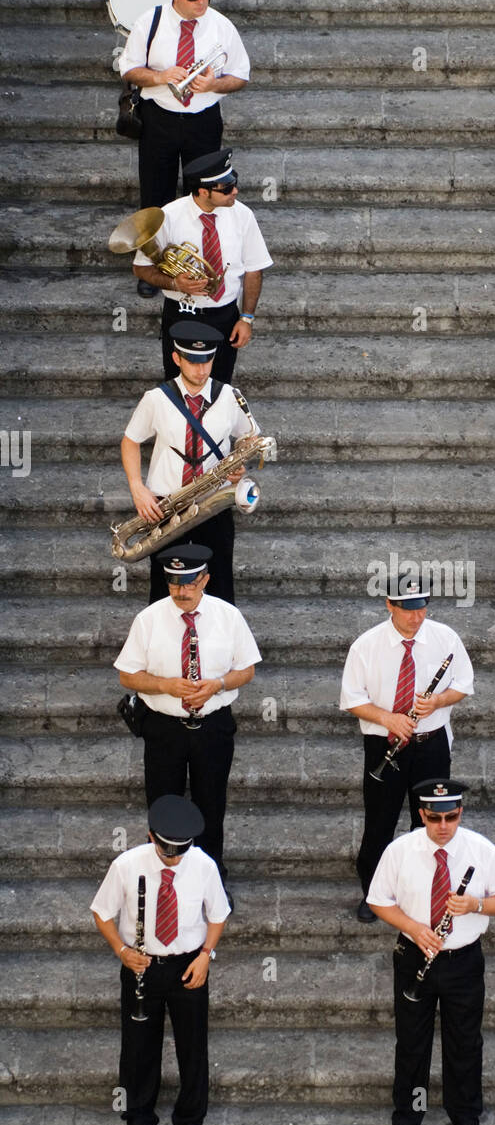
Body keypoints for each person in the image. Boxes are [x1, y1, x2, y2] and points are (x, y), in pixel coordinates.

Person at [368, 778, 495, 1125]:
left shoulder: (481, 850)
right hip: (415, 955)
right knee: (412, 1044)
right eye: (434, 818)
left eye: (451, 817)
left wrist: (475, 906)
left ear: (460, 813)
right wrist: (415, 928)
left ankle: (465, 1119)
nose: (443, 826)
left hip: (462, 960)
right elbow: (378, 901)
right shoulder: (400, 850)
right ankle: (407, 1117)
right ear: (421, 814)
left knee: (464, 1043)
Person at [90, 793, 230, 1125]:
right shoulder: (126, 865)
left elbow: (218, 914)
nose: (174, 859)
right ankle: (138, 1120)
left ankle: (191, 1121)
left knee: (193, 1047)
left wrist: (205, 956)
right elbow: (101, 913)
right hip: (142, 965)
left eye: (180, 852)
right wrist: (122, 951)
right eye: (168, 852)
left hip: (188, 964)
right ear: (152, 837)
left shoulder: (202, 865)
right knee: (138, 1048)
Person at [114, 543, 261, 885]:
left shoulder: (228, 617)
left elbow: (247, 670)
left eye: (190, 583)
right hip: (164, 729)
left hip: (213, 727)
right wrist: (165, 685)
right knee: (163, 804)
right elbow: (127, 675)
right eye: (174, 584)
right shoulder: (148, 620)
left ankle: (210, 880)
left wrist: (219, 684)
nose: (181, 592)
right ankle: (160, 879)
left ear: (206, 580)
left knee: (211, 805)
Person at [339, 576, 474, 924]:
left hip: (432, 744)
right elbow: (352, 699)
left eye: (421, 608)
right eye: (408, 610)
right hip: (385, 743)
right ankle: (373, 894)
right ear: (389, 605)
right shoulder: (366, 646)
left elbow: (463, 684)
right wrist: (388, 718)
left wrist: (439, 700)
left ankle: (421, 893)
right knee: (380, 822)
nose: (416, 617)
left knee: (428, 823)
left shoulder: (445, 638)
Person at [118, 0, 249, 297]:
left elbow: (240, 76)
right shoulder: (150, 21)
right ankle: (153, 270)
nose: (201, 2)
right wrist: (160, 76)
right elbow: (129, 69)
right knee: (156, 192)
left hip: (203, 121)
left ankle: (198, 266)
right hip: (158, 117)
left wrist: (213, 86)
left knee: (203, 195)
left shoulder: (221, 26)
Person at [120, 318, 264, 605]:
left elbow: (250, 438)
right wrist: (137, 487)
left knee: (220, 587)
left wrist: (240, 461)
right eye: (193, 361)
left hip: (213, 504)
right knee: (163, 591)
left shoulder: (230, 397)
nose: (201, 370)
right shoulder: (156, 399)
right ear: (176, 358)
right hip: (166, 506)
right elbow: (130, 441)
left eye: (207, 361)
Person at [131, 149, 273, 384]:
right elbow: (141, 268)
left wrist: (246, 318)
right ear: (203, 191)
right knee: (179, 385)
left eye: (234, 182)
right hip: (182, 313)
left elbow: (254, 269)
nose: (234, 191)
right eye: (226, 188)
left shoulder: (243, 215)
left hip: (225, 314)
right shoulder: (169, 215)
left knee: (221, 384)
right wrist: (174, 282)